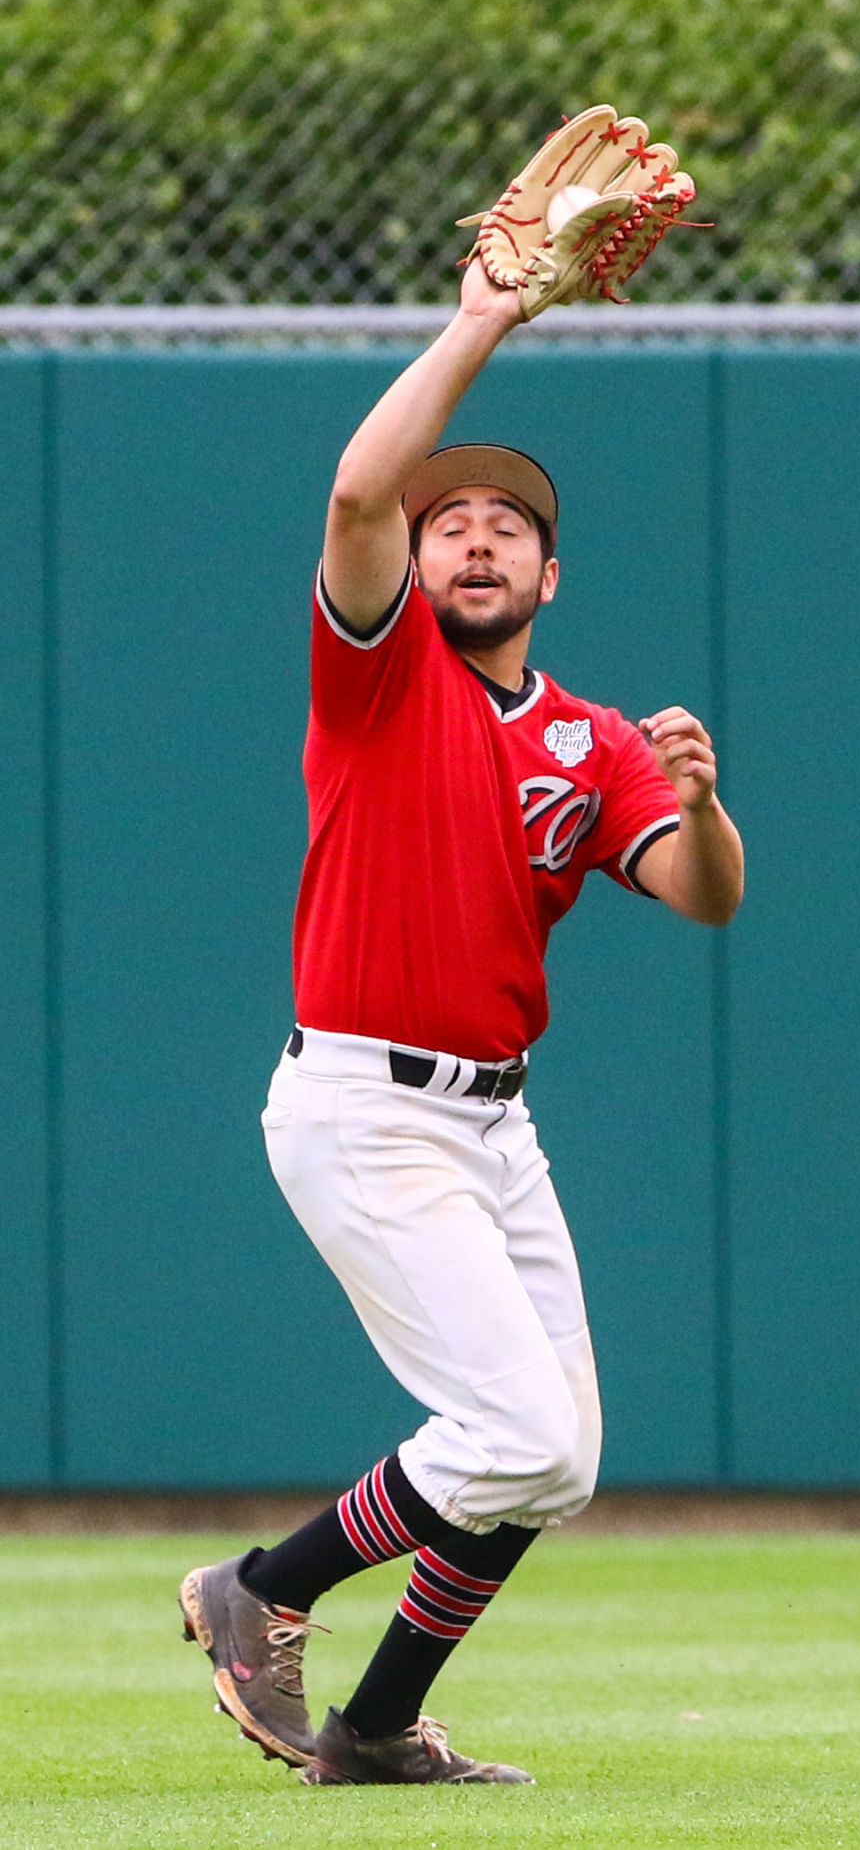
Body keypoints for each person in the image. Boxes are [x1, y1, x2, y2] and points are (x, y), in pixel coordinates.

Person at [179, 252, 743, 1789]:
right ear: (414, 568)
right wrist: (490, 310)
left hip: (496, 1119)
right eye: (451, 524)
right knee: (515, 1434)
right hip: (366, 1106)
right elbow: (360, 492)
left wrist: (701, 802)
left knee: (559, 1459)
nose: (474, 536)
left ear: (551, 576)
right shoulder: (377, 677)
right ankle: (265, 1590)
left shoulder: (596, 737)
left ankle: (372, 1725)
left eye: (509, 525)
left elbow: (701, 894)